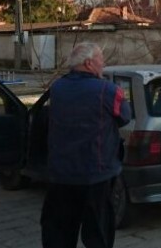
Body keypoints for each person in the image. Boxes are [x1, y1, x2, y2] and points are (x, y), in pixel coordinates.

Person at [41, 42, 131, 248]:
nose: (104, 63)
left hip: (61, 175)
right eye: (101, 59)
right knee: (97, 233)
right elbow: (125, 117)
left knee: (59, 233)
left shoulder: (57, 87)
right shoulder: (108, 91)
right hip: (96, 176)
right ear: (89, 63)